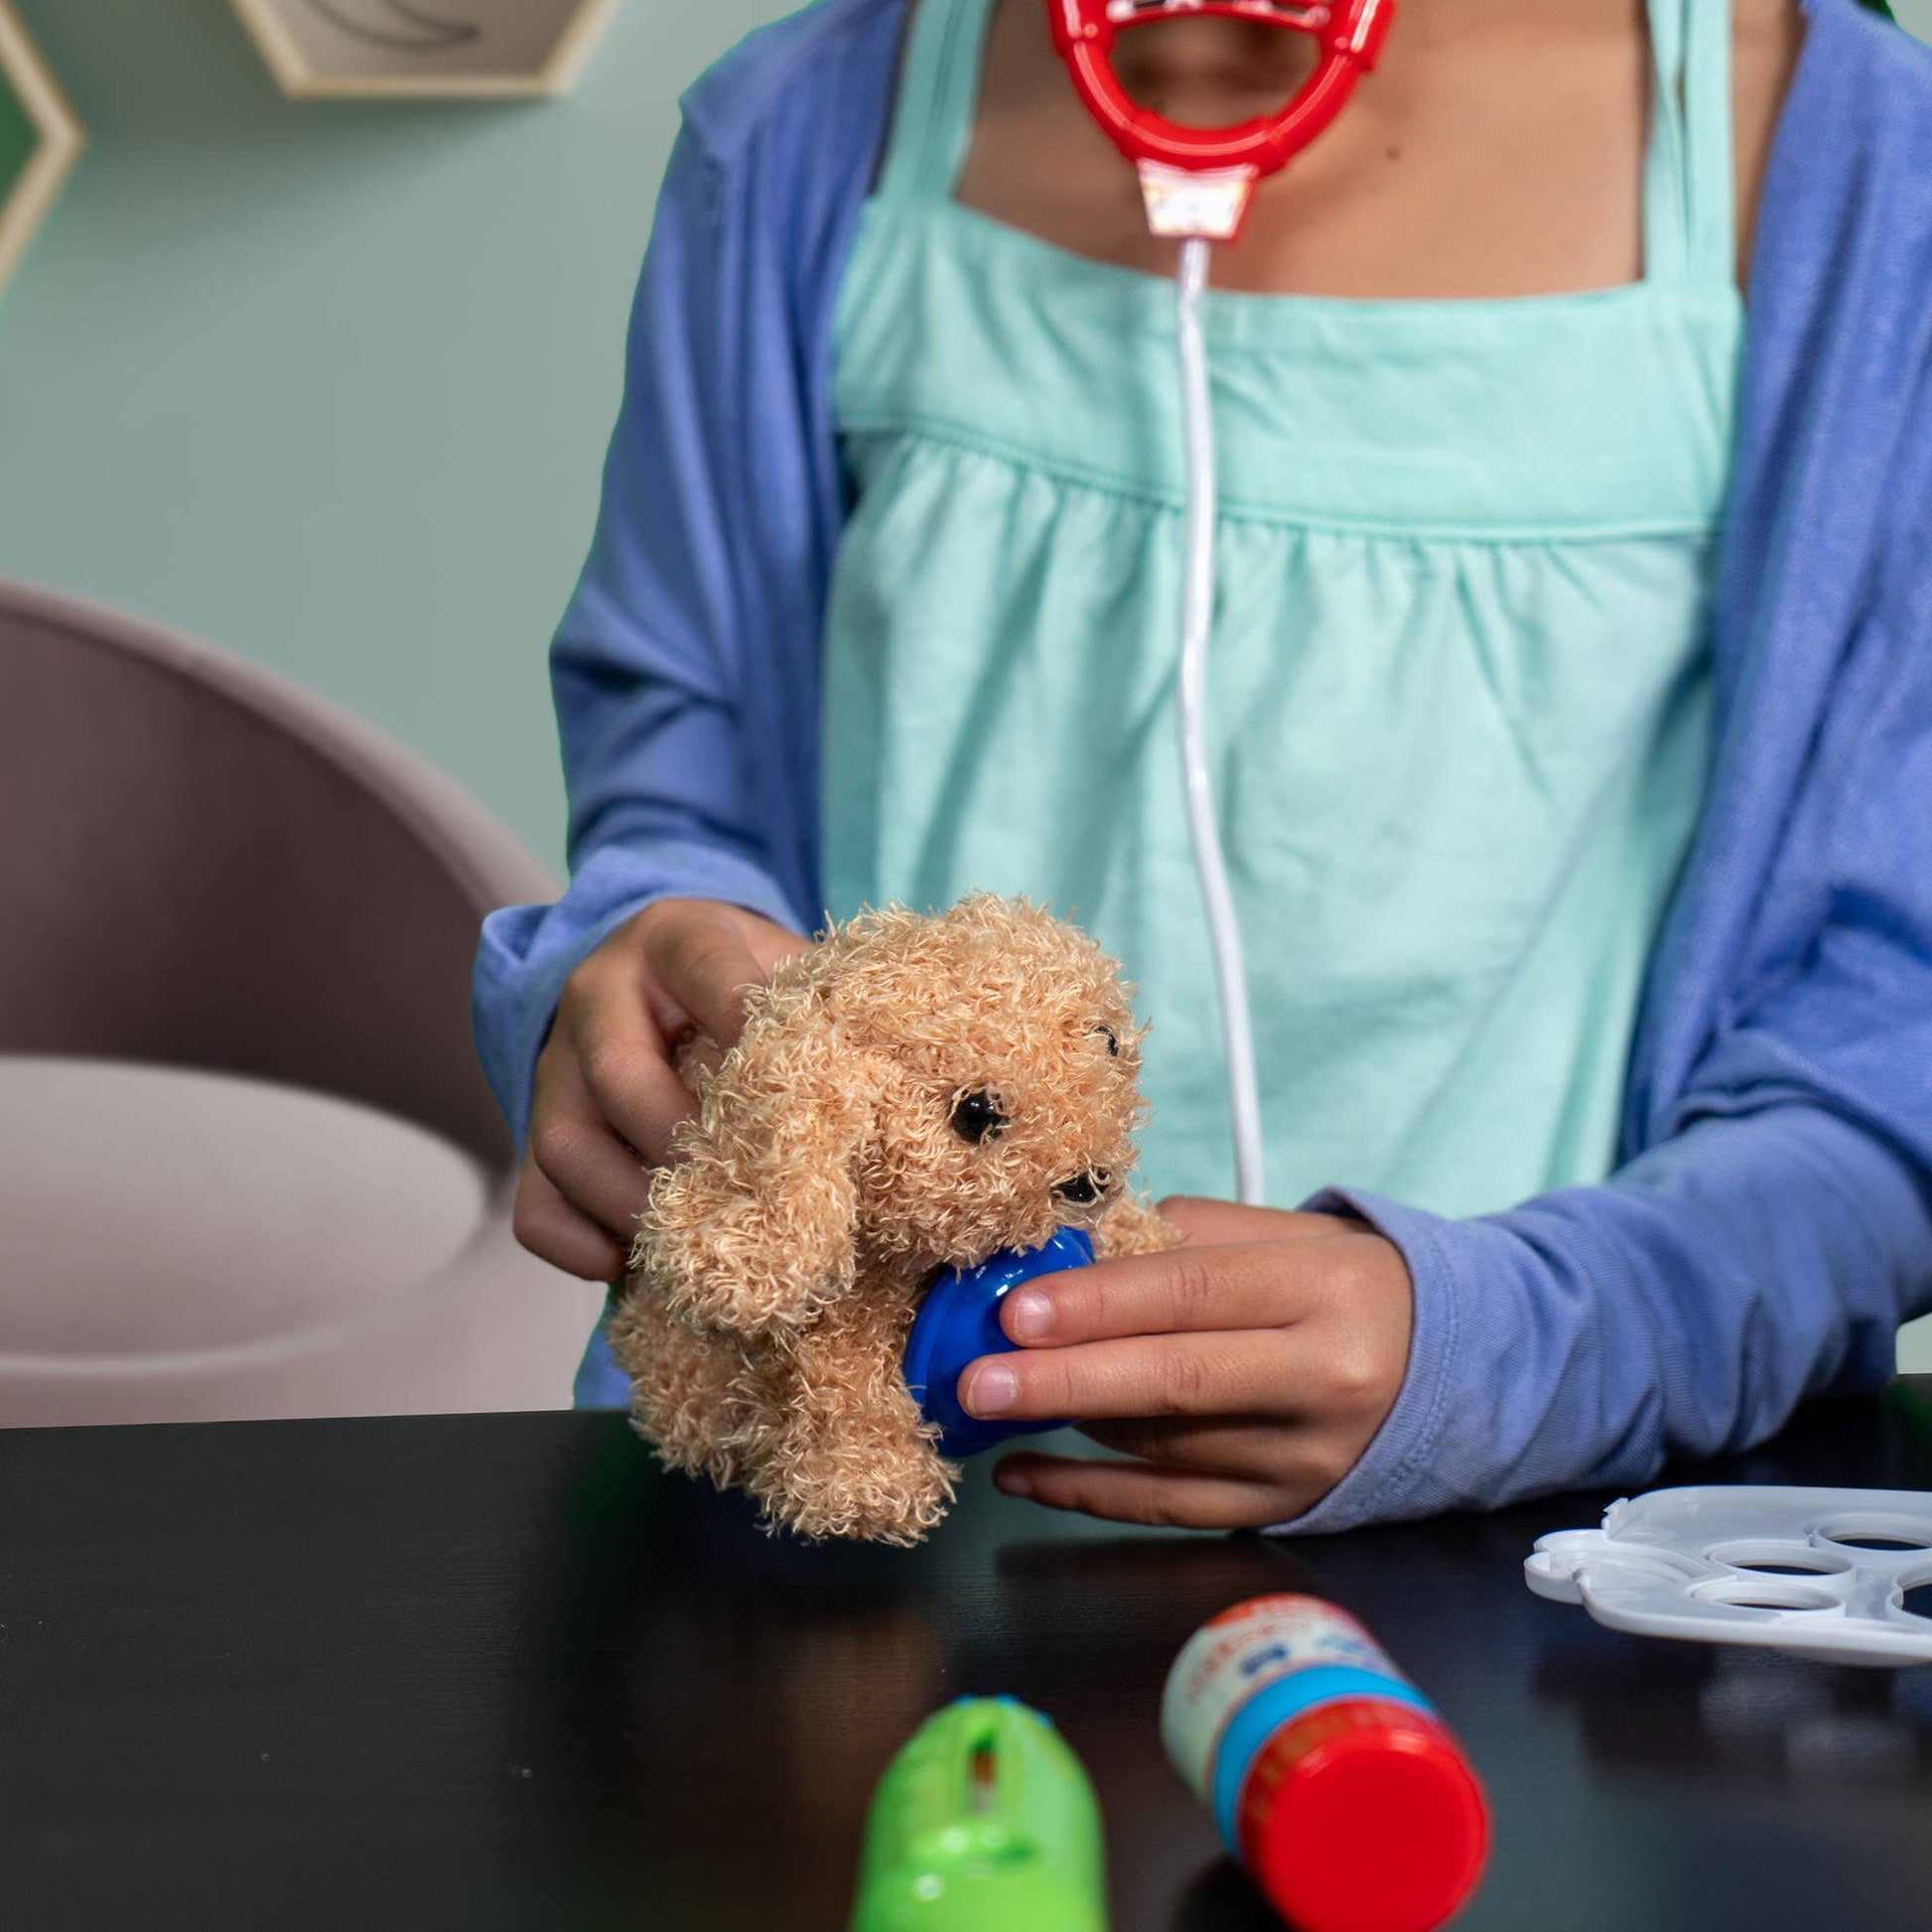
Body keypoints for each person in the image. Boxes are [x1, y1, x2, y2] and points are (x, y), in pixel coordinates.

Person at [472, 0, 1932, 1533]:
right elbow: (677, 776)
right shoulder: (799, 125)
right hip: (836, 1507)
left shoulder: (1858, 170)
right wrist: (627, 981)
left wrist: (1516, 1340)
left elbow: (1886, 1052)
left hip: (1570, 1538)